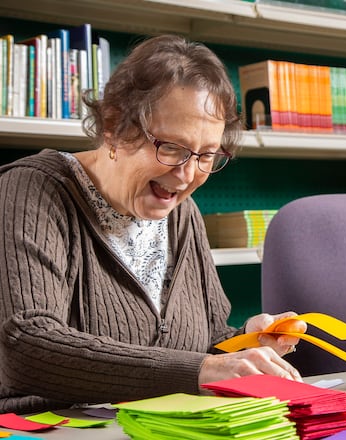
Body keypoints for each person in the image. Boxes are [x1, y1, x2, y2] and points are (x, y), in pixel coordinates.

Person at [0, 35, 307, 414]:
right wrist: (205, 369)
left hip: (162, 424)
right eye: (172, 148)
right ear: (114, 126)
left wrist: (243, 345)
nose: (187, 174)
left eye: (207, 155)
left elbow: (202, 345)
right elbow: (26, 348)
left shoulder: (183, 213)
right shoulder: (31, 190)